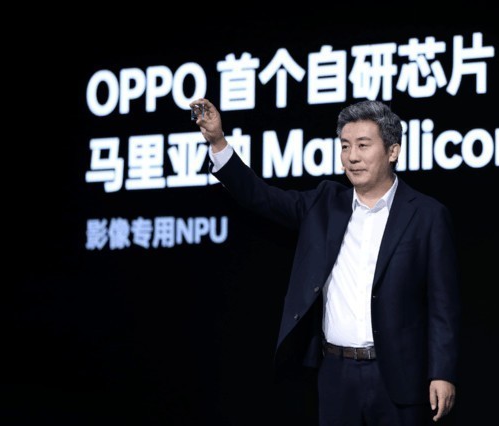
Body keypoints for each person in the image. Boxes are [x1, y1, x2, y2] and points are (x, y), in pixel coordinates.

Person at [190, 98, 461, 425]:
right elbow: (260, 197)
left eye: (363, 145)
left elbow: (443, 304)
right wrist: (218, 142)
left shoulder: (427, 215)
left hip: (397, 374)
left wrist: (442, 372)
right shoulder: (324, 203)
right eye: (345, 146)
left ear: (393, 151)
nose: (352, 156)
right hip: (335, 372)